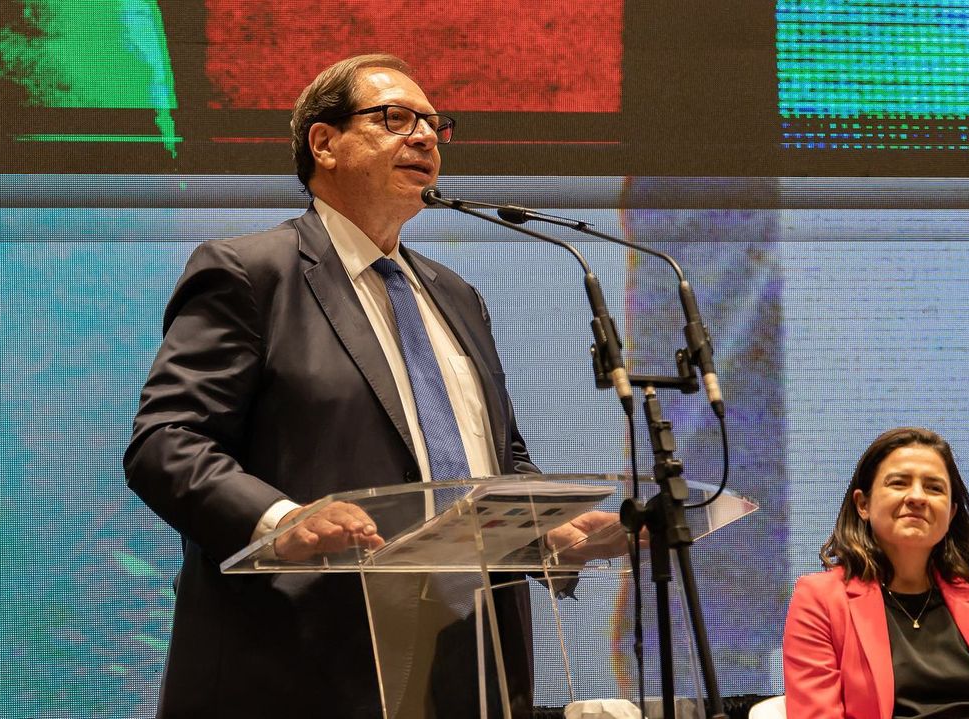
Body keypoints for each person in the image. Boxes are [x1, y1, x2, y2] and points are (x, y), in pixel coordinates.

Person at [124, 53, 611, 718]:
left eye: (436, 124)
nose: (426, 137)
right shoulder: (249, 273)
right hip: (304, 663)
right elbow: (166, 443)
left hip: (474, 665)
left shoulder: (455, 295)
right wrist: (282, 521)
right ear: (323, 141)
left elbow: (499, 460)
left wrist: (544, 529)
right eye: (395, 118)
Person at [782, 426, 969, 719]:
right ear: (863, 504)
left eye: (934, 488)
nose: (917, 497)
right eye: (899, 483)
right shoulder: (820, 599)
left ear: (950, 514)